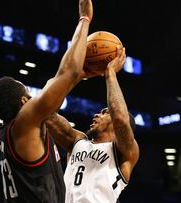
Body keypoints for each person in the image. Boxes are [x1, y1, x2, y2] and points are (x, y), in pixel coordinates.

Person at [0, 0, 94, 202]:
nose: (33, 97)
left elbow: (58, 81)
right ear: (23, 101)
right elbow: (67, 72)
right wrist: (85, 19)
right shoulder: (25, 123)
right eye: (28, 93)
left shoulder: (13, 129)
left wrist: (77, 77)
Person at [45, 48, 139, 203]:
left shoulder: (125, 152)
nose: (97, 114)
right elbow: (47, 113)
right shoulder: (77, 141)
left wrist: (110, 74)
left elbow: (120, 119)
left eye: (105, 112)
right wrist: (75, 77)